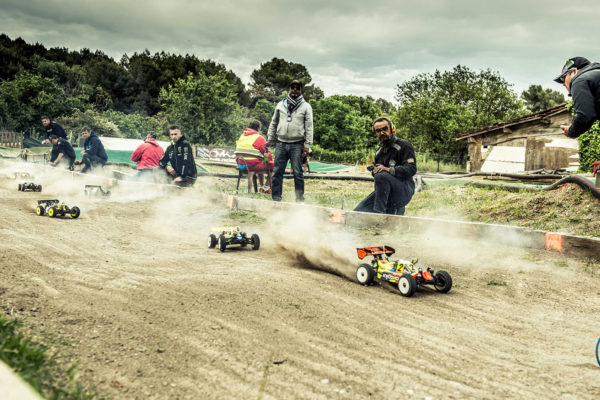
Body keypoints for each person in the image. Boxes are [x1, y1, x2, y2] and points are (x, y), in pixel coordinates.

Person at [354, 117, 417, 215]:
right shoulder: (378, 152)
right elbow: (380, 177)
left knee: (381, 176)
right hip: (386, 192)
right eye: (378, 131)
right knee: (358, 211)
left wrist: (388, 169)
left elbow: (412, 169)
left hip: (404, 190)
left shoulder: (404, 146)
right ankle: (387, 212)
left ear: (392, 129)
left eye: (385, 129)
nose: (382, 133)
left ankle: (380, 216)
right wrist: (374, 171)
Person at [266, 79, 313, 202]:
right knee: (277, 172)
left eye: (297, 88)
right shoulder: (281, 104)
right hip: (281, 142)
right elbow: (274, 121)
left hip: (297, 144)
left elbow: (309, 127)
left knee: (297, 173)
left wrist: (307, 145)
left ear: (301, 90)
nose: (295, 90)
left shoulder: (306, 106)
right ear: (289, 89)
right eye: (292, 88)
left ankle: (299, 200)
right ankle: (276, 198)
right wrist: (270, 138)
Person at [554, 56, 600, 138]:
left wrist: (571, 131)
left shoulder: (579, 80)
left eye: (563, 78)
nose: (563, 83)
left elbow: (585, 116)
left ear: (574, 72)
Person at [235, 120, 274, 192]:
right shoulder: (259, 138)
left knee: (260, 162)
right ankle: (265, 187)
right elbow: (266, 152)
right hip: (252, 166)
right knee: (272, 167)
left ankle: (262, 186)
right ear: (258, 128)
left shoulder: (242, 136)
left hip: (241, 165)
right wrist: (270, 161)